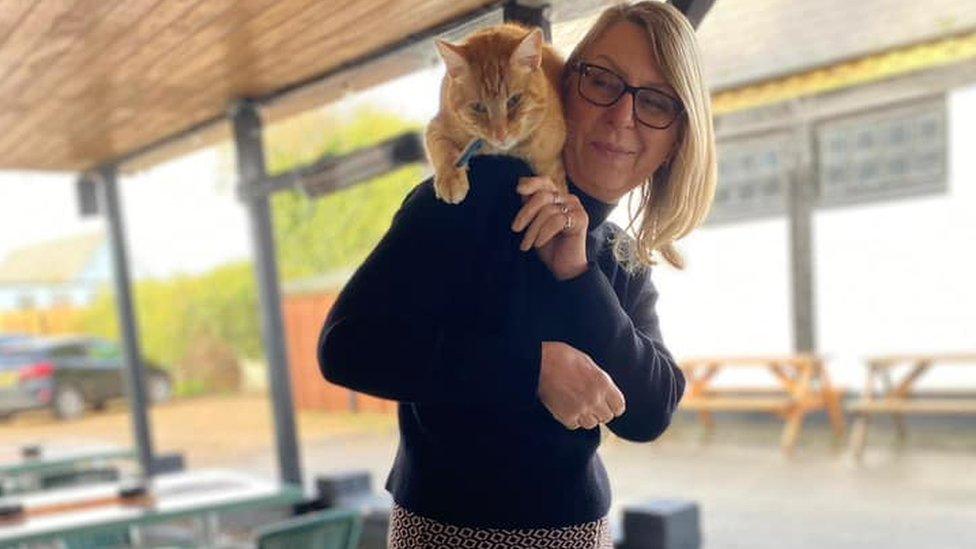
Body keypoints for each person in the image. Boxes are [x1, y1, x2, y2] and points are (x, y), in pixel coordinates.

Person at [317, 1, 717, 547]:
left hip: (579, 534)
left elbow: (650, 411)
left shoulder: (620, 256)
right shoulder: (471, 193)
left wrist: (579, 274)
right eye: (602, 81)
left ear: (676, 141)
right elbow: (349, 346)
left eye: (655, 102)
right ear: (560, 81)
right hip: (445, 531)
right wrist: (530, 370)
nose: (622, 117)